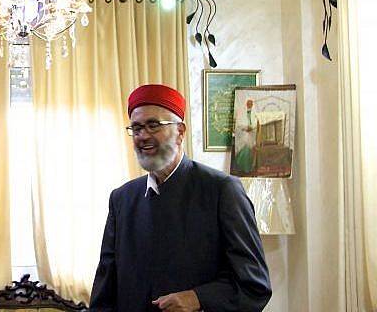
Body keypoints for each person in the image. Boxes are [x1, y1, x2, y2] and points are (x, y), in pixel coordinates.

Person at [89, 84, 271, 312]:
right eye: (136, 128)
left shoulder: (222, 190)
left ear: (180, 132)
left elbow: (254, 285)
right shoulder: (122, 199)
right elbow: (105, 293)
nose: (143, 136)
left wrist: (198, 298)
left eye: (153, 125)